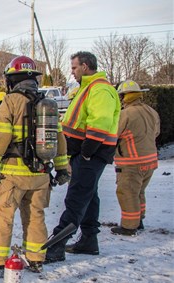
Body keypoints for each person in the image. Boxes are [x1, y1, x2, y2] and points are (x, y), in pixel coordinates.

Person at [0, 56, 69, 275]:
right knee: (35, 216)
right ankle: (36, 258)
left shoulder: (11, 101)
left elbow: (1, 137)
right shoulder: (47, 103)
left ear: (12, 80)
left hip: (14, 174)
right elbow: (58, 137)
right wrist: (63, 168)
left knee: (1, 216)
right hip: (41, 174)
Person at [45, 51, 121, 263]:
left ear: (86, 66)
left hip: (91, 154)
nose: (72, 72)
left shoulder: (100, 89)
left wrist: (87, 152)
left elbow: (100, 123)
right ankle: (89, 240)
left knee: (76, 197)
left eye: (75, 68)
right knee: (89, 196)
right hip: (84, 153)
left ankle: (56, 246)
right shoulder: (87, 88)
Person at [111, 80, 160, 236]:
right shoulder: (151, 111)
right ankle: (139, 220)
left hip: (131, 162)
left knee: (127, 192)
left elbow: (114, 134)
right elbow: (156, 132)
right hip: (150, 160)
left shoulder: (125, 114)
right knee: (139, 191)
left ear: (125, 96)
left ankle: (129, 226)